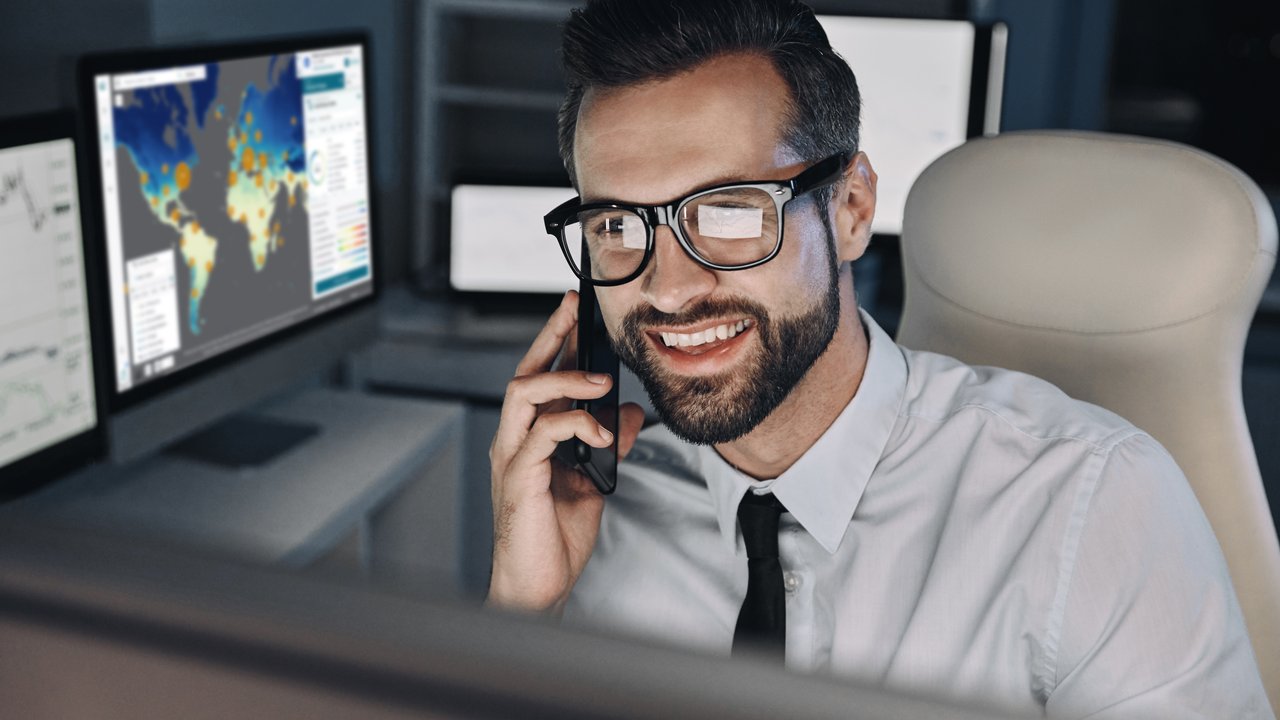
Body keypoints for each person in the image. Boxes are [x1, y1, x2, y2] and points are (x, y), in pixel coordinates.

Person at [485, 0, 1273, 717]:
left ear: (852, 209)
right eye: (617, 226)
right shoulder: (590, 517)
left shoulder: (1091, 504)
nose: (669, 289)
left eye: (729, 212)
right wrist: (521, 619)